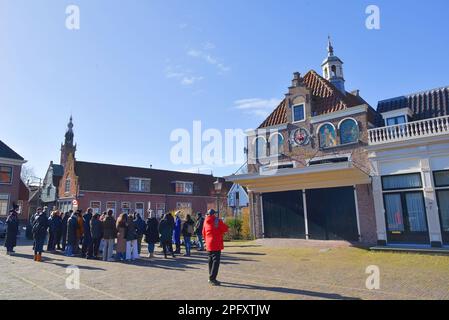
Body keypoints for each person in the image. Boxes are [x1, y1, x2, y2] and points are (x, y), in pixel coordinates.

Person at [202, 209, 229, 286]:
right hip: (216, 243)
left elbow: (203, 233)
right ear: (214, 214)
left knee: (210, 260)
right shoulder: (217, 221)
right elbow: (225, 229)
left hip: (208, 244)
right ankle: (212, 278)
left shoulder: (205, 221)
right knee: (216, 262)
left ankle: (210, 276)